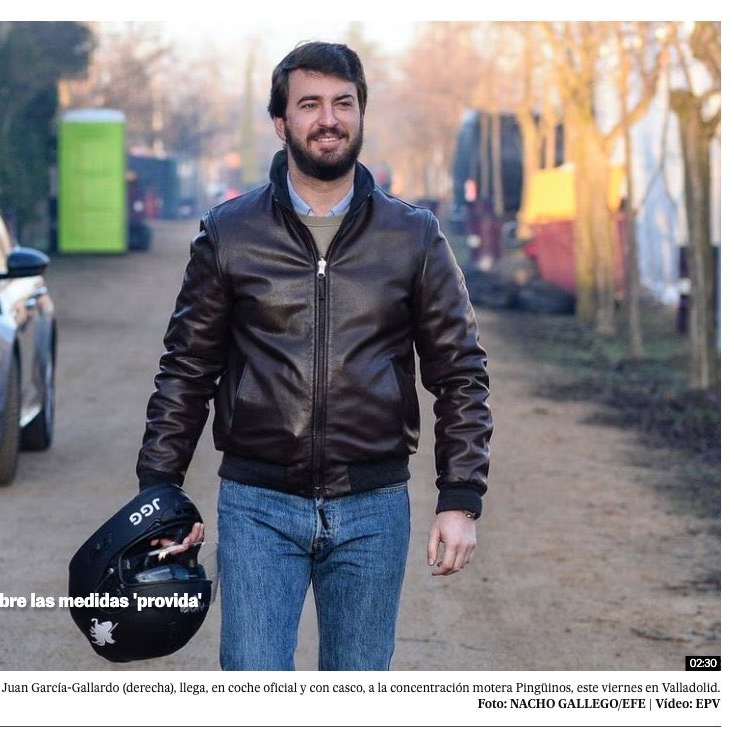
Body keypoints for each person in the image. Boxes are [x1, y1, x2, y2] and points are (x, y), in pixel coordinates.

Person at [136, 43, 492, 671]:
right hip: (257, 507)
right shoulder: (230, 232)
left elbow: (460, 371)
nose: (328, 118)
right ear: (282, 123)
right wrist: (157, 494)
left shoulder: (413, 236)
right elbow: (187, 369)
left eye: (342, 103)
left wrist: (460, 498)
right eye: (310, 104)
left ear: (360, 114)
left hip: (373, 508)